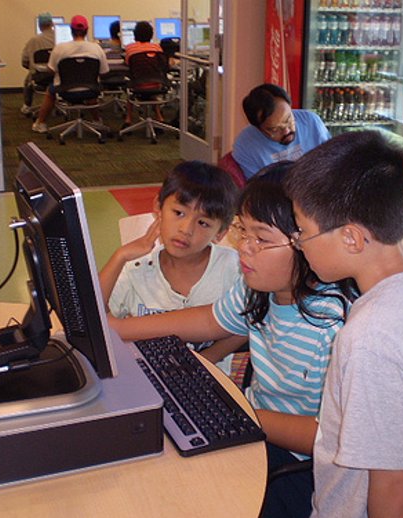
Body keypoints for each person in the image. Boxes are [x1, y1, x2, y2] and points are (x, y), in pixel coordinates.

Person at [110, 162, 350, 518]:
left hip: (304, 469)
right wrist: (109, 329)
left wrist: (232, 412)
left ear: (306, 244)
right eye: (243, 232)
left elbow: (330, 439)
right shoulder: (257, 289)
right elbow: (205, 320)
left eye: (261, 238)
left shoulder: (332, 329)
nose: (244, 249)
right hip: (255, 428)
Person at [283, 131, 403, 518]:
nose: (298, 243)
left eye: (302, 231)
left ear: (351, 238)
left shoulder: (370, 340)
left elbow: (392, 488)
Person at [100, 160, 244, 374]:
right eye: (179, 213)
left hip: (209, 378)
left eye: (203, 223)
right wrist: (119, 257)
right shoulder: (136, 266)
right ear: (158, 206)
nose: (186, 229)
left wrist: (205, 360)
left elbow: (246, 324)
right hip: (144, 376)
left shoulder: (234, 268)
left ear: (221, 232)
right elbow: (93, 316)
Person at [232, 84, 331, 180]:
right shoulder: (245, 145)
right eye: (275, 129)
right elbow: (256, 190)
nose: (287, 131)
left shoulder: (311, 121)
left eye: (288, 119)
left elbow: (332, 161)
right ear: (258, 128)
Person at [32, 15, 109, 133]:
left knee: (50, 90)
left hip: (65, 91)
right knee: (91, 84)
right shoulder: (96, 48)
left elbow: (50, 70)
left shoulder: (60, 48)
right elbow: (104, 72)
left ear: (71, 31)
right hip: (91, 91)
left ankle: (40, 123)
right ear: (87, 31)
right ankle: (97, 120)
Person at [121, 21, 166, 129]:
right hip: (157, 85)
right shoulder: (157, 48)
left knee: (130, 90)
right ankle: (159, 117)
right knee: (152, 90)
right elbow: (162, 65)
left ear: (135, 34)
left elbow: (128, 64)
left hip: (137, 85)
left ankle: (128, 118)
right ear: (151, 35)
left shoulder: (130, 48)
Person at [20, 13, 55, 115]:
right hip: (60, 77)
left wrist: (33, 68)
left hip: (41, 77)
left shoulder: (34, 41)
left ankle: (27, 105)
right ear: (52, 23)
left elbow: (24, 61)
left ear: (39, 25)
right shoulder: (62, 39)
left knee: (28, 80)